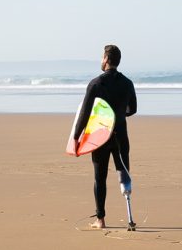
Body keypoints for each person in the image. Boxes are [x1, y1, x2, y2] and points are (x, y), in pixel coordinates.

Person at [73, 44, 137, 229]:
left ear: (106, 59)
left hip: (100, 137)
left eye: (102, 57)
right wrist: (118, 114)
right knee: (123, 174)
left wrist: (76, 137)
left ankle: (100, 219)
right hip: (121, 137)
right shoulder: (127, 83)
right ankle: (129, 216)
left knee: (99, 178)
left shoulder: (96, 83)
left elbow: (84, 113)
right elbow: (132, 109)